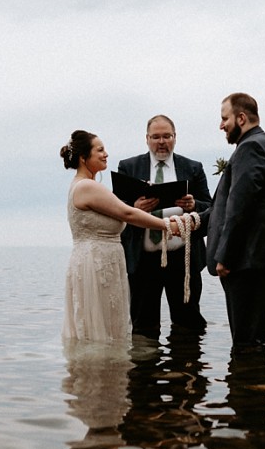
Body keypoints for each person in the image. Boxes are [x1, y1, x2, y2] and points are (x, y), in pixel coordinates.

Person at [60, 130, 184, 343]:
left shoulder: (86, 185)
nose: (106, 154)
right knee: (100, 331)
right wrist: (169, 226)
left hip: (101, 261)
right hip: (96, 265)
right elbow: (127, 213)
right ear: (83, 158)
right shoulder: (87, 186)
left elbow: (126, 211)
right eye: (100, 150)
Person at [116, 115, 212, 337]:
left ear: (175, 138)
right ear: (147, 139)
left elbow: (210, 207)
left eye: (167, 136)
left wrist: (193, 204)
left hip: (183, 257)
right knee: (143, 328)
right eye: (156, 137)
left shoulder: (193, 167)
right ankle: (145, 371)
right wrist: (135, 206)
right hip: (143, 259)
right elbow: (116, 208)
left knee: (188, 325)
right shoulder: (128, 167)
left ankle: (188, 369)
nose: (162, 142)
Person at [205, 93, 265, 350]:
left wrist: (225, 255)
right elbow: (227, 205)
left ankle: (247, 388)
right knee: (255, 337)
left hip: (248, 259)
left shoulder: (252, 147)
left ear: (241, 118)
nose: (221, 125)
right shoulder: (258, 144)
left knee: (247, 342)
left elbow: (239, 207)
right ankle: (256, 386)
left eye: (224, 118)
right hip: (254, 257)